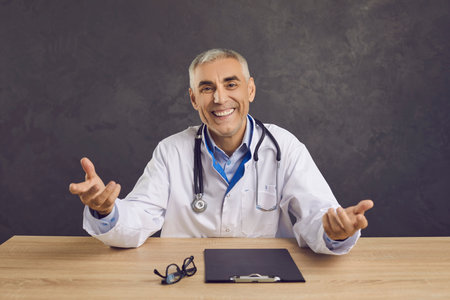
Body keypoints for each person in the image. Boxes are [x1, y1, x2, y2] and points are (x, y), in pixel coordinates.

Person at [69, 48, 373, 254]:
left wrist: (336, 231)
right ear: (193, 98)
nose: (219, 98)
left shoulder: (284, 147)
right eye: (206, 88)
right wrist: (106, 211)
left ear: (250, 90)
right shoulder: (171, 151)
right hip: (188, 282)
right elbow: (139, 218)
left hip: (264, 285)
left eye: (231, 84)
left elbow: (317, 216)